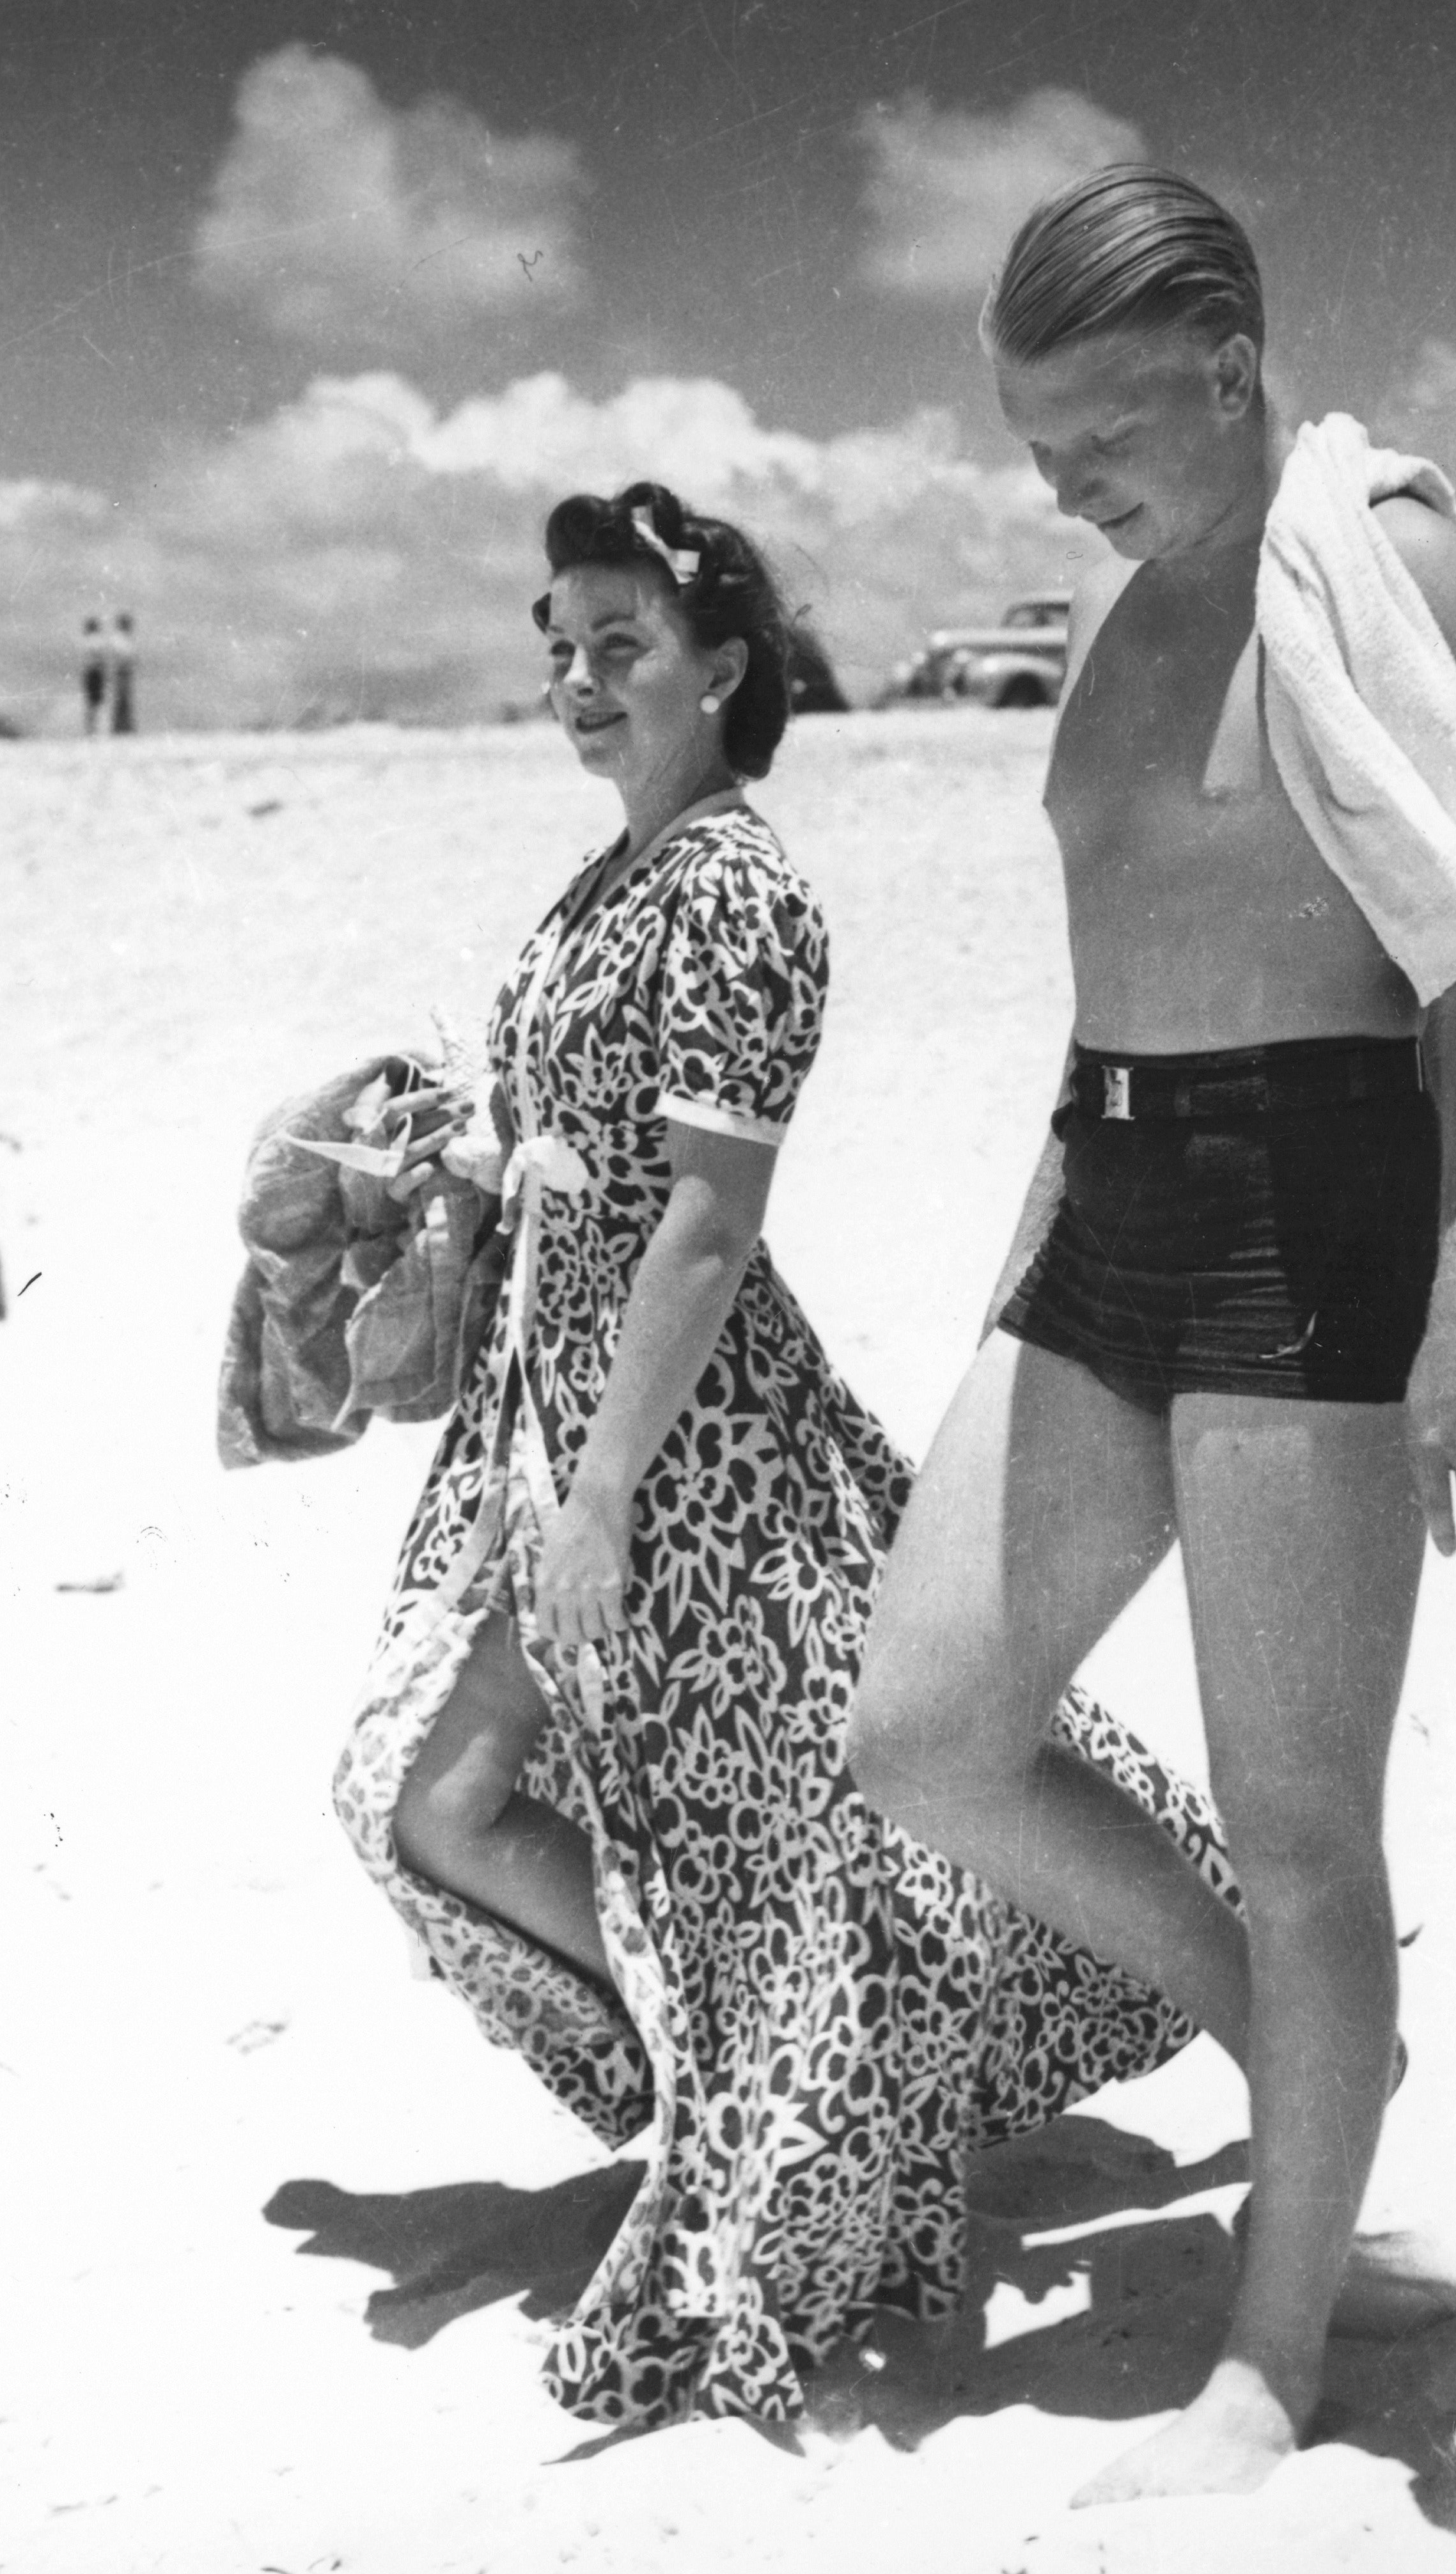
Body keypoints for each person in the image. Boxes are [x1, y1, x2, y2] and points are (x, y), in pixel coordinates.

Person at [325, 481, 1236, 2435]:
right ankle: (744, 2083)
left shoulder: (737, 887)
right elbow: (598, 1158)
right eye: (558, 647)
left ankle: (793, 2092)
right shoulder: (614, 874)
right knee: (435, 1792)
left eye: (620, 644)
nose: (578, 679)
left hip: (689, 1452)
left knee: (718, 1826)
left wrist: (600, 1494)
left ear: (721, 664)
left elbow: (709, 1218)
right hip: (544, 1415)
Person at [844, 163, 1456, 2505]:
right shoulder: (1111, 604)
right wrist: (1016, 1272)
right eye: (1032, 444)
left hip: (1316, 1198)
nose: (1062, 485)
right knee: (924, 1723)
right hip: (1108, 1192)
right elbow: (1103, 977)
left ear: (1232, 367)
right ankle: (1306, 2074)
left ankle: (1271, 2348)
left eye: (1099, 434)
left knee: (1298, 1821)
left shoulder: (1394, 567)